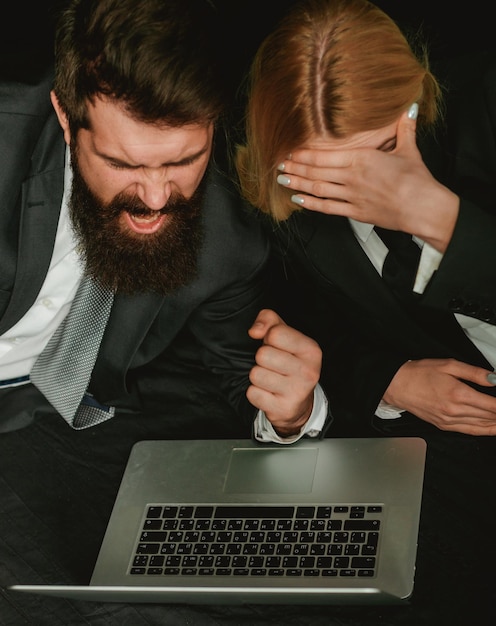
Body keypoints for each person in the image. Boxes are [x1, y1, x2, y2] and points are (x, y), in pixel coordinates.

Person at [0, 0, 329, 622]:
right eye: (123, 164)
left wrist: (293, 411)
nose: (156, 199)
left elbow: (244, 370)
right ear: (66, 120)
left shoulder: (228, 230)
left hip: (60, 421)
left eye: (182, 162)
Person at [235, 0, 496, 438]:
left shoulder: (486, 106)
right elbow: (305, 331)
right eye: (331, 176)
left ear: (414, 99)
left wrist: (440, 219)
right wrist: (391, 382)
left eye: (382, 153)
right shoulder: (284, 206)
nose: (367, 190)